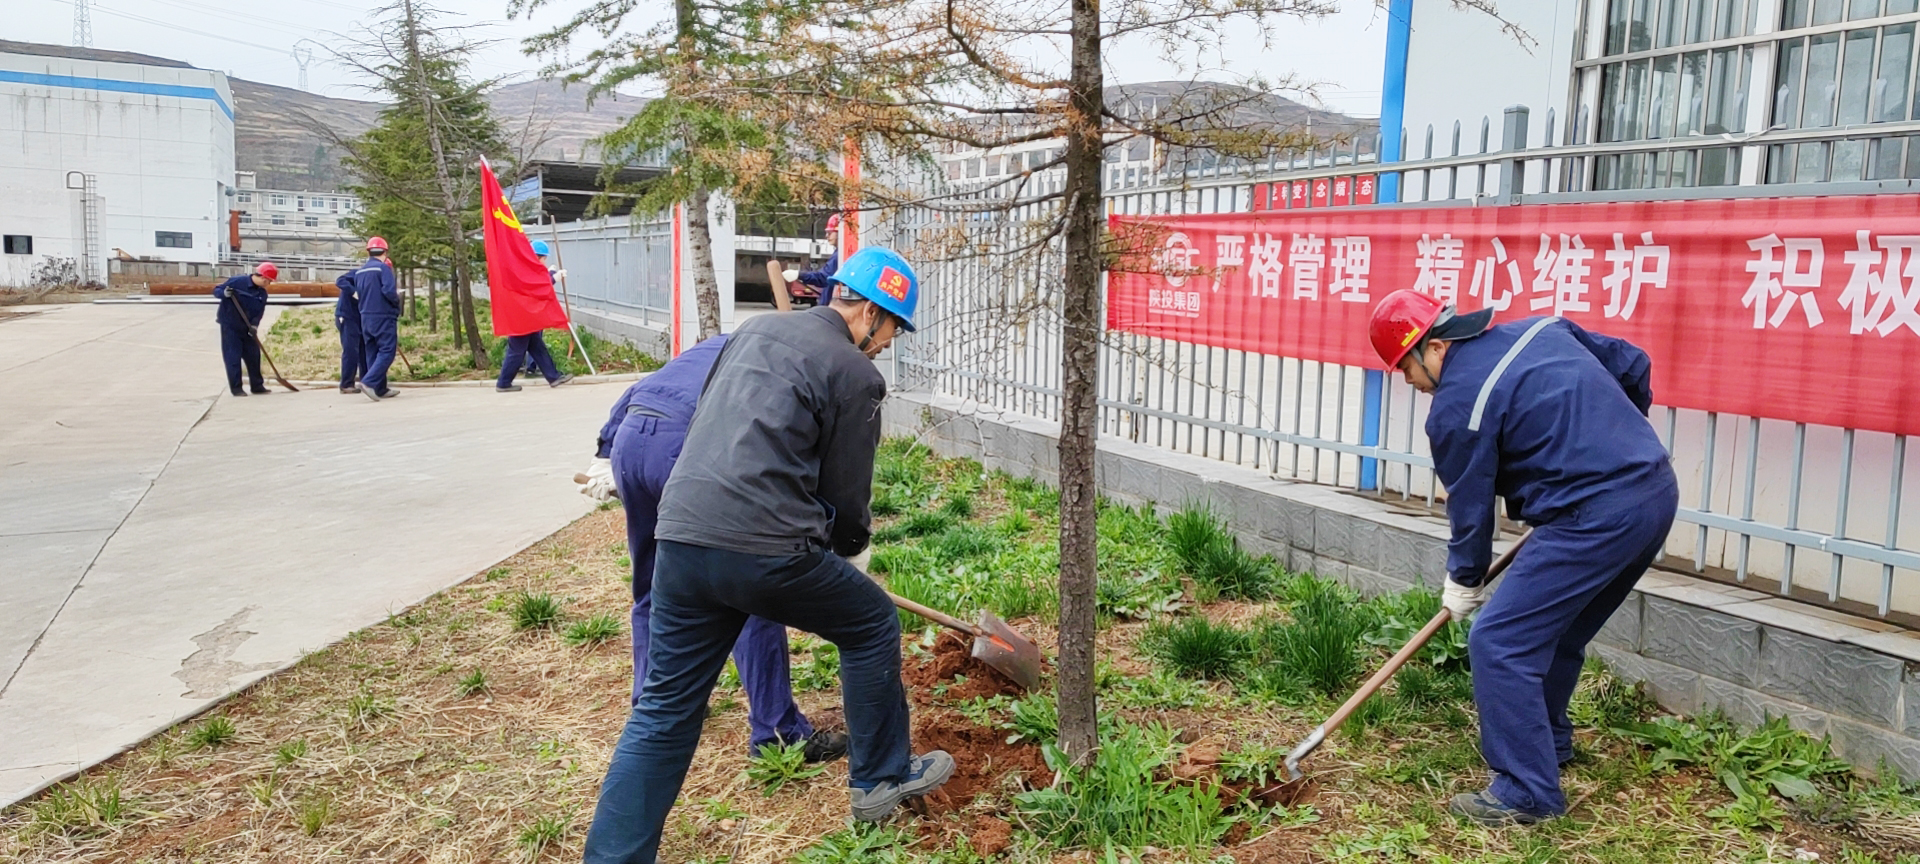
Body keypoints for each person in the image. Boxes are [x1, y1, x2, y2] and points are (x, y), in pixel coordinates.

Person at [581, 247, 952, 864]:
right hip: (766, 550)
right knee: (869, 622)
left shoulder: (752, 332)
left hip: (681, 540)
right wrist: (851, 554)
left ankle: (612, 858)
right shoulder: (857, 375)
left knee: (664, 712)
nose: (891, 342)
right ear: (870, 313)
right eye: (895, 327)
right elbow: (846, 494)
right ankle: (880, 778)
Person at [1367, 290, 1678, 827]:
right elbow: (1633, 364)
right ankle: (1547, 745)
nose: (1410, 382)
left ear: (1434, 347)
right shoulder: (1543, 329)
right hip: (1653, 492)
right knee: (1556, 632)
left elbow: (1470, 508)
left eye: (1406, 369)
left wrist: (1464, 581)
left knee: (1499, 641)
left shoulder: (1457, 406)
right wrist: (1618, 442)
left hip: (1593, 515)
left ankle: (1525, 792)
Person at [578, 334, 847, 762]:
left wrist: (606, 452)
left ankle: (655, 708)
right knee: (750, 588)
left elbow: (644, 388)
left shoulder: (724, 343)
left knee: (653, 586)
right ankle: (778, 733)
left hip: (632, 441)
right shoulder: (792, 366)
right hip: (686, 448)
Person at [495, 239, 573, 393]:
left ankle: (553, 377)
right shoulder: (524, 269)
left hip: (526, 317)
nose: (544, 262)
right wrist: (553, 278)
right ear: (537, 257)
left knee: (537, 348)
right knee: (516, 351)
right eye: (544, 259)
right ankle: (503, 382)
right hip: (522, 318)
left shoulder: (525, 267)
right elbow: (535, 287)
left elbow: (538, 280)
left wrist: (550, 274)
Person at [213, 262, 277, 396]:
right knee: (233, 357)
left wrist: (254, 325)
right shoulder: (237, 282)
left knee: (254, 355)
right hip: (230, 326)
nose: (269, 284)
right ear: (263, 278)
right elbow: (217, 290)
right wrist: (224, 293)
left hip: (248, 328)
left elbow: (259, 312)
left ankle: (257, 386)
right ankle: (236, 388)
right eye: (269, 281)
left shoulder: (262, 293)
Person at [353, 237, 401, 401]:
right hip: (383, 316)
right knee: (387, 351)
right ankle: (369, 382)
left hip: (365, 317)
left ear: (369, 252)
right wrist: (396, 303)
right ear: (385, 252)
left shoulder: (360, 272)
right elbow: (389, 291)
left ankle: (380, 388)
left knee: (372, 352)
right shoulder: (383, 269)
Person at [333, 253, 367, 394]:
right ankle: (346, 383)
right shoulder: (358, 274)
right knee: (351, 350)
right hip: (347, 316)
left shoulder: (377, 280)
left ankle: (366, 381)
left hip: (362, 318)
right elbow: (340, 281)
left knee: (364, 350)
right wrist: (354, 292)